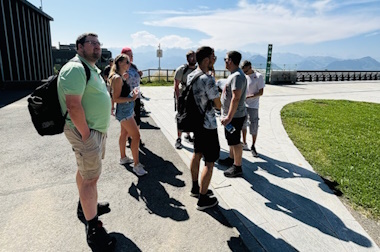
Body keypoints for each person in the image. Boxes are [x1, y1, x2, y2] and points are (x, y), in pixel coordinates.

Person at [57, 33, 116, 251]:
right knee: (91, 178)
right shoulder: (75, 68)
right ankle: (94, 231)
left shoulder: (89, 68)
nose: (97, 47)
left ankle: (85, 207)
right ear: (79, 47)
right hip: (86, 132)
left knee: (86, 173)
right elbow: (73, 105)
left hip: (93, 131)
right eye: (92, 43)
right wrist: (86, 135)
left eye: (99, 43)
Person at [187, 46, 221, 210]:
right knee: (209, 161)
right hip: (208, 124)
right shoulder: (208, 79)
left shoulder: (192, 75)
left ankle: (195, 187)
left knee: (196, 153)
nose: (215, 59)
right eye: (213, 57)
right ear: (207, 59)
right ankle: (203, 198)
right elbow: (217, 103)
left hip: (195, 122)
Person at [110, 54, 147, 177]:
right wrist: (132, 98)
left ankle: (123, 157)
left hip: (125, 109)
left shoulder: (119, 77)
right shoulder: (117, 78)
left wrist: (126, 84)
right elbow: (115, 98)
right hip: (125, 111)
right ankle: (137, 165)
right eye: (127, 62)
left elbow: (118, 94)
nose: (129, 64)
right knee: (136, 136)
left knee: (124, 134)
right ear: (120, 63)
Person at [218, 51, 247, 178]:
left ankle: (237, 167)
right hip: (231, 115)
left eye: (225, 59)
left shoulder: (237, 76)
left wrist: (229, 117)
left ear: (230, 60)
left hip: (234, 116)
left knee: (235, 141)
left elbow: (236, 98)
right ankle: (231, 158)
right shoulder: (234, 75)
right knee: (231, 139)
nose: (224, 61)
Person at [120, 47, 145, 147]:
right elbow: (115, 79)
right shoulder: (121, 67)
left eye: (132, 55)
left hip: (136, 96)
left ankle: (136, 137)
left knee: (137, 119)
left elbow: (136, 78)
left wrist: (140, 74)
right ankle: (129, 138)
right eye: (129, 55)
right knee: (128, 119)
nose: (131, 56)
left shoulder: (133, 66)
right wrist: (122, 76)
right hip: (126, 98)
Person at [174, 50, 197, 149]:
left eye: (194, 57)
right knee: (181, 118)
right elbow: (176, 86)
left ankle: (189, 135)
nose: (193, 59)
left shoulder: (198, 70)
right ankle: (179, 138)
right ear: (187, 58)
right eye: (191, 57)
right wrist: (178, 100)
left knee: (193, 118)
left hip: (195, 98)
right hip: (183, 97)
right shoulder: (181, 70)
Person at [241, 60, 265, 157]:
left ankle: (253, 145)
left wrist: (249, 97)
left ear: (250, 67)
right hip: (243, 105)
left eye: (245, 71)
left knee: (253, 125)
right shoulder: (244, 76)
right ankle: (244, 143)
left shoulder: (258, 76)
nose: (244, 73)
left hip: (253, 106)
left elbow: (261, 92)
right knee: (243, 124)